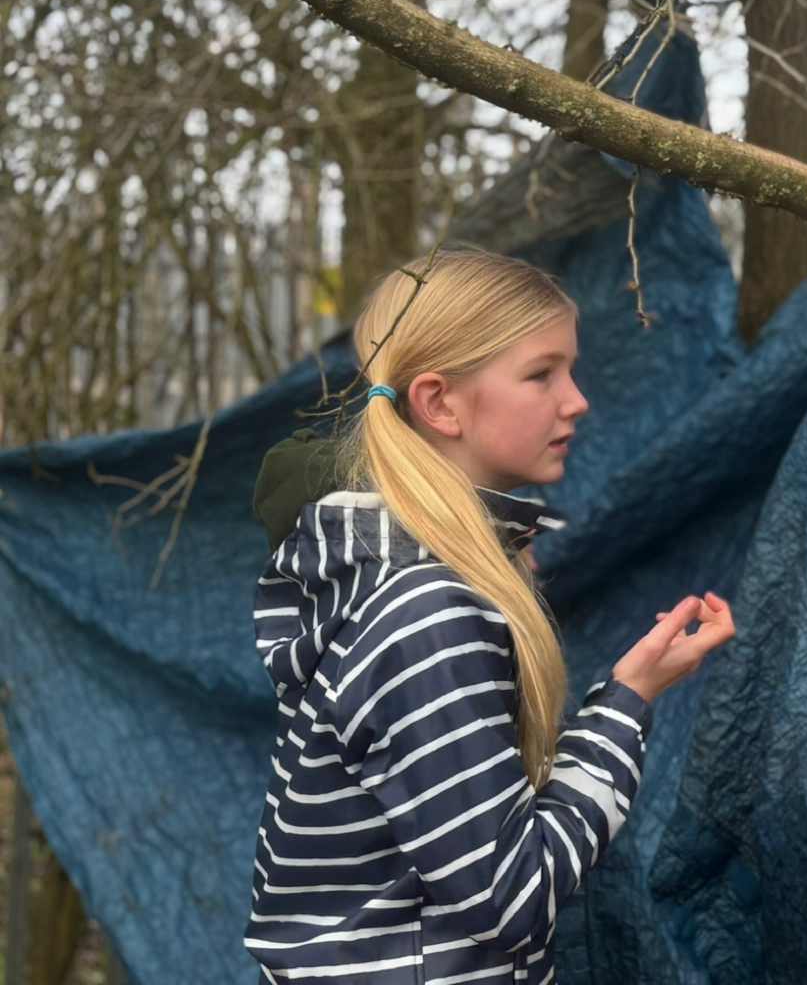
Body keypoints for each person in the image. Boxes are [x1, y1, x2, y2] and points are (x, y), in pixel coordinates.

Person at [245, 249, 734, 985]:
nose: (577, 401)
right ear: (440, 403)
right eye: (542, 375)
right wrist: (626, 705)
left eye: (569, 371)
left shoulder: (393, 578)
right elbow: (512, 899)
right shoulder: (426, 617)